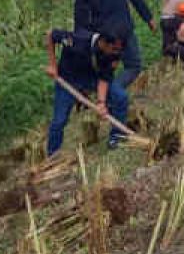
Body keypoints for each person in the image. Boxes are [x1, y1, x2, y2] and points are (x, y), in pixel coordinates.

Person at [72, 0, 155, 89]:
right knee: (133, 66)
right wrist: (148, 18)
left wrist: (80, 40)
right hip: (124, 29)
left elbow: (80, 17)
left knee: (103, 70)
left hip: (103, 35)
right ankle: (113, 90)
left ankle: (104, 95)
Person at [44, 25, 129, 156]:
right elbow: (51, 34)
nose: (117, 52)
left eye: (119, 49)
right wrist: (52, 65)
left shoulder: (115, 52)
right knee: (59, 120)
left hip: (92, 79)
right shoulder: (76, 41)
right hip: (68, 80)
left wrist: (101, 102)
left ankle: (117, 137)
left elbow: (104, 78)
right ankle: (52, 155)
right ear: (103, 43)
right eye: (114, 49)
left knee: (120, 96)